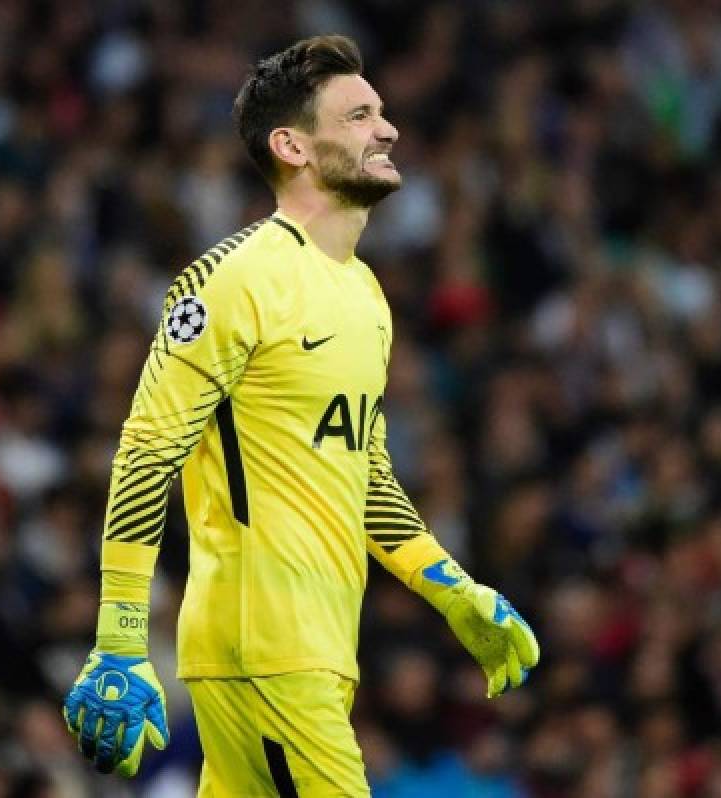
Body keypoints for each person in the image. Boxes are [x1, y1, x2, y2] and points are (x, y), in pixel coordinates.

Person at [61, 34, 539, 796]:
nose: (387, 129)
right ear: (292, 145)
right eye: (357, 116)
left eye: (381, 112)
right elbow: (148, 449)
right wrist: (120, 636)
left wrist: (454, 589)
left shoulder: (365, 295)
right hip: (264, 649)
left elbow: (368, 477)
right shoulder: (234, 277)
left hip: (316, 650)